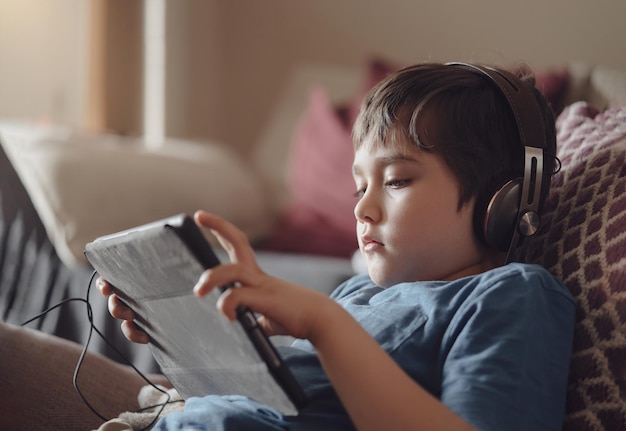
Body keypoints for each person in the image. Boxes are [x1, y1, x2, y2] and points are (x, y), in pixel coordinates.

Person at [1, 62, 575, 431]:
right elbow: (268, 403)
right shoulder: (359, 294)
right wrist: (198, 334)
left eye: (397, 180)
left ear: (504, 203)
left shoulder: (511, 296)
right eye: (358, 185)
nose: (362, 207)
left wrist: (325, 324)